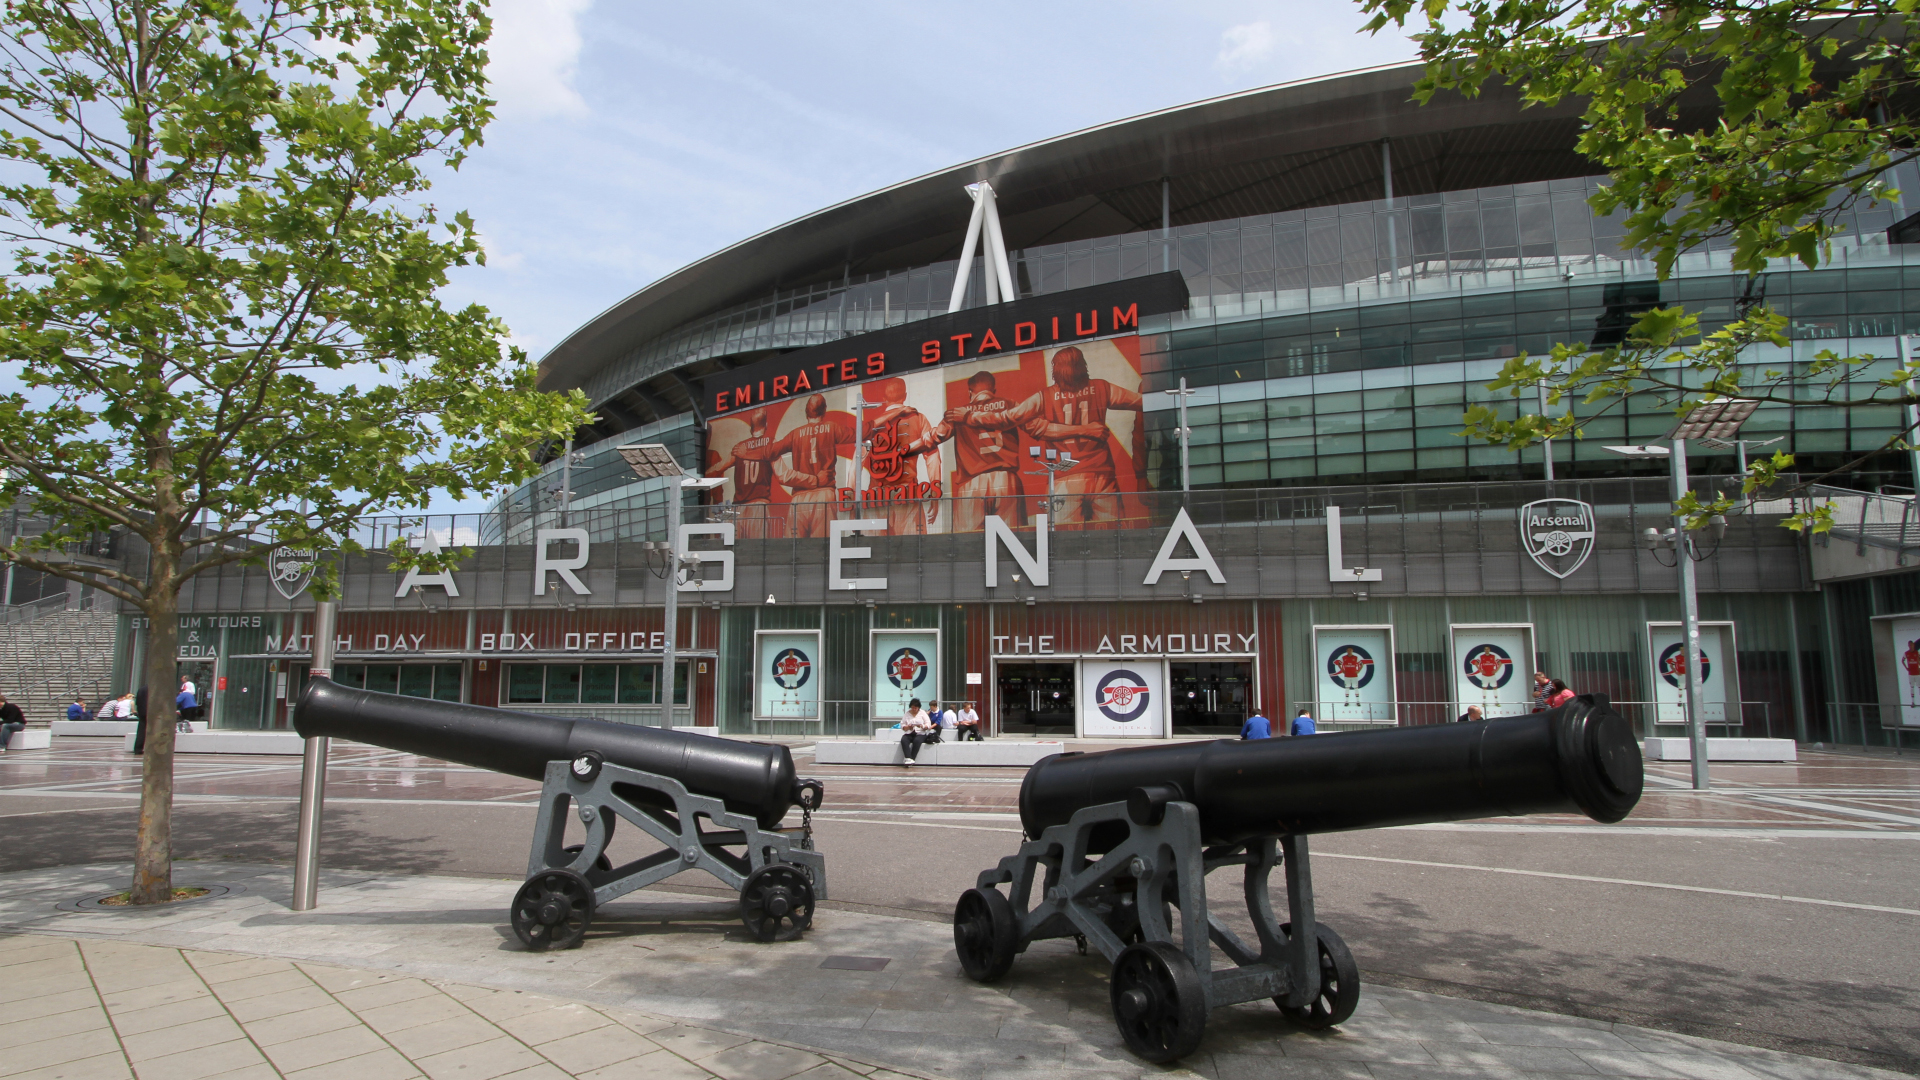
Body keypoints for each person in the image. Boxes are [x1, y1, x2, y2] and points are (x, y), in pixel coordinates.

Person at [947, 346, 1143, 529]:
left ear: (1056, 370)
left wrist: (970, 416)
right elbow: (1139, 402)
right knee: (1114, 536)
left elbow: (1007, 418)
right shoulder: (1102, 388)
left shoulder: (1045, 396)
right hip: (1103, 473)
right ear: (1083, 366)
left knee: (1062, 540)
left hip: (1064, 477)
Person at [930, 370, 1027, 532]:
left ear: (970, 392)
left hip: (971, 482)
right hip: (1006, 479)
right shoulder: (1009, 405)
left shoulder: (957, 413)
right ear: (993, 390)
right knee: (1013, 537)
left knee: (967, 542)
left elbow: (935, 437)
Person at [771, 394, 852, 539]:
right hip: (824, 494)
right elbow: (864, 430)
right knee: (824, 548)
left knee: (793, 549)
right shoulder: (832, 428)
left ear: (806, 412)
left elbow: (770, 452)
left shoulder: (795, 434)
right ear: (825, 410)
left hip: (800, 496)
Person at [710, 409, 782, 539]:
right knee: (759, 550)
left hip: (738, 508)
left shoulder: (739, 447)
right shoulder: (771, 443)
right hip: (759, 505)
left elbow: (719, 467)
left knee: (734, 551)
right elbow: (782, 475)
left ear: (751, 427)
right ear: (765, 426)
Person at [898, 698, 935, 766]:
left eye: (915, 708)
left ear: (918, 707)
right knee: (904, 740)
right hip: (910, 732)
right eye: (912, 707)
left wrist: (921, 726)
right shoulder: (907, 713)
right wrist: (908, 727)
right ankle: (908, 758)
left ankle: (912, 758)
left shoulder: (922, 713)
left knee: (917, 741)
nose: (914, 709)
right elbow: (902, 724)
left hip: (920, 733)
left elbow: (928, 724)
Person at [132, 685, 149, 755]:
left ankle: (138, 748)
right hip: (152, 712)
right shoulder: (157, 688)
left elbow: (137, 701)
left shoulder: (142, 689)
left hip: (142, 711)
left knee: (141, 730)